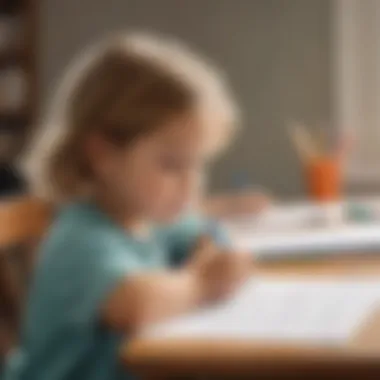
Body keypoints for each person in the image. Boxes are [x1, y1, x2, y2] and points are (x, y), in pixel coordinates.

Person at [3, 32, 253, 380]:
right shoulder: (79, 240)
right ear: (102, 154)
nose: (192, 183)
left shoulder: (145, 219)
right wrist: (203, 282)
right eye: (172, 165)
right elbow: (137, 303)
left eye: (199, 165)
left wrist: (213, 249)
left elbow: (201, 230)